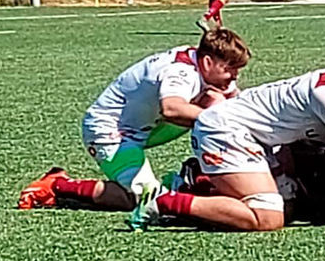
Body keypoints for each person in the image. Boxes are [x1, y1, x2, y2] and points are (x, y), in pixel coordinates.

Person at [129, 48, 325, 232]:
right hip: (225, 130)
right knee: (267, 217)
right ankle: (165, 202)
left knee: (292, 204)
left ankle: (197, 182)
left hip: (254, 137)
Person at [19, 28, 252, 212]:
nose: (234, 76)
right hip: (111, 130)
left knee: (217, 102)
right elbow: (172, 109)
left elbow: (236, 104)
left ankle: (192, 177)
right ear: (208, 62)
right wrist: (221, 120)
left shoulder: (204, 63)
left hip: (149, 125)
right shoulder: (181, 72)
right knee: (142, 198)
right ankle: (57, 185)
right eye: (229, 69)